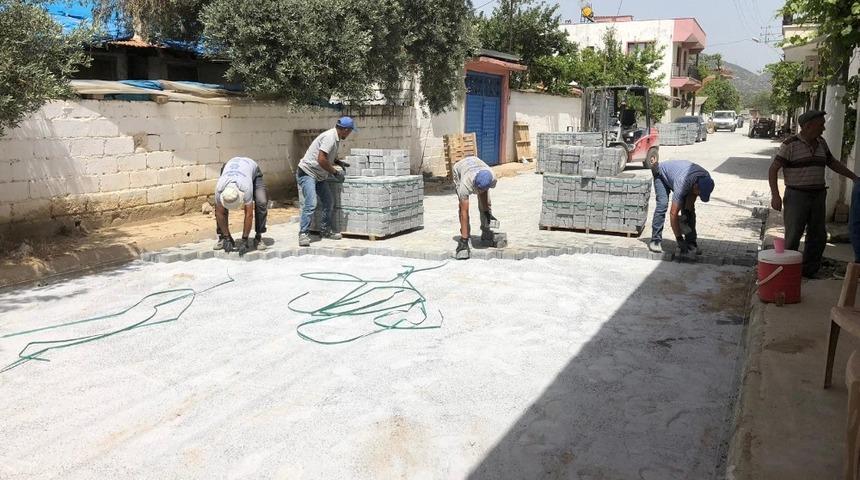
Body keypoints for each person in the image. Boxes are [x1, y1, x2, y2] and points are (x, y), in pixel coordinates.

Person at [769, 109, 858, 277]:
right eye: (821, 124)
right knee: (793, 235)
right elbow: (773, 169)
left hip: (818, 195)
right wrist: (775, 195)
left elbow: (832, 163)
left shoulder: (821, 143)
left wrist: (854, 177)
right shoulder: (790, 145)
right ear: (808, 126)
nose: (823, 128)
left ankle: (809, 271)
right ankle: (788, 272)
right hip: (796, 196)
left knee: (818, 235)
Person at [296, 116, 354, 247]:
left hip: (319, 175)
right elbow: (321, 159)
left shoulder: (336, 137)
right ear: (344, 129)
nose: (350, 134)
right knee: (311, 203)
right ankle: (303, 234)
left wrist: (338, 161)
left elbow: (327, 156)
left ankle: (325, 230)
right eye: (350, 131)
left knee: (329, 202)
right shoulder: (330, 137)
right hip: (307, 173)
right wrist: (335, 172)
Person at [647, 159, 715, 255]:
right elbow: (673, 214)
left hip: (680, 176)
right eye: (699, 194)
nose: (698, 196)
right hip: (661, 174)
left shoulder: (706, 177)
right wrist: (679, 239)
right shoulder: (682, 183)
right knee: (662, 205)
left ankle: (691, 243)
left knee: (689, 212)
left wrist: (685, 216)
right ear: (695, 187)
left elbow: (691, 201)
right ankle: (655, 240)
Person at [214, 156, 268, 254]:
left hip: (252, 170)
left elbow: (249, 214)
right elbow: (219, 213)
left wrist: (244, 239)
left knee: (261, 202)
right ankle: (223, 237)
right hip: (229, 166)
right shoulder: (219, 189)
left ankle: (258, 237)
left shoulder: (245, 188)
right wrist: (227, 237)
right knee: (219, 208)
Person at [452, 156, 498, 259]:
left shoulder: (492, 178)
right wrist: (463, 240)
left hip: (477, 164)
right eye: (479, 189)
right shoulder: (466, 183)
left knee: (487, 203)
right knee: (462, 208)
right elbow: (465, 212)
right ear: (475, 185)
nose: (480, 192)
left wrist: (487, 213)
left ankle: (486, 232)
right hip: (460, 170)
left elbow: (484, 194)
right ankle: (465, 238)